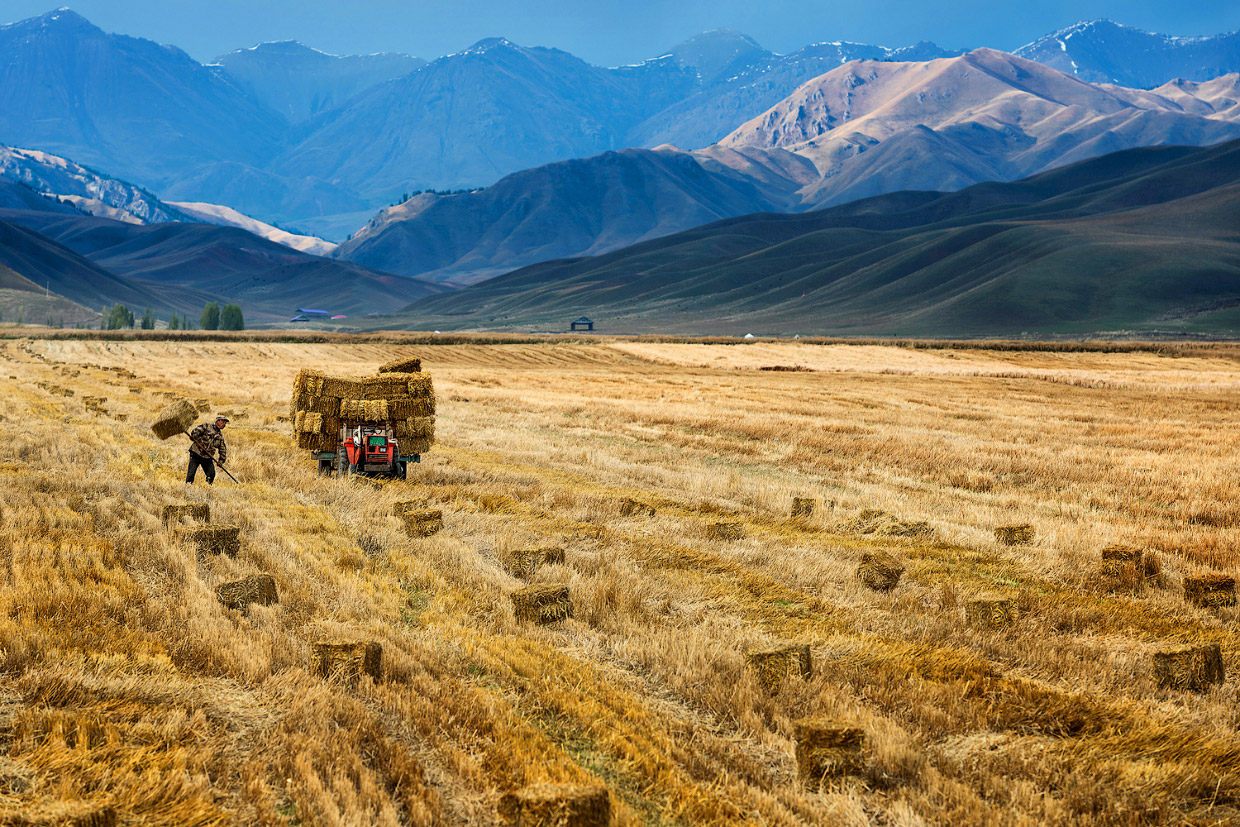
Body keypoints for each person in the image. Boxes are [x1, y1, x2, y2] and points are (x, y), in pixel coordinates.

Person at [186, 415, 229, 484]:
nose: (224, 424)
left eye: (225, 423)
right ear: (218, 421)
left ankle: (207, 486)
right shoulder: (206, 426)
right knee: (191, 473)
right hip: (196, 453)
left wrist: (221, 460)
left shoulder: (220, 437)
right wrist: (196, 438)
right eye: (223, 422)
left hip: (207, 456)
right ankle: (188, 487)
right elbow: (195, 432)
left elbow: (222, 449)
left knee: (211, 474)